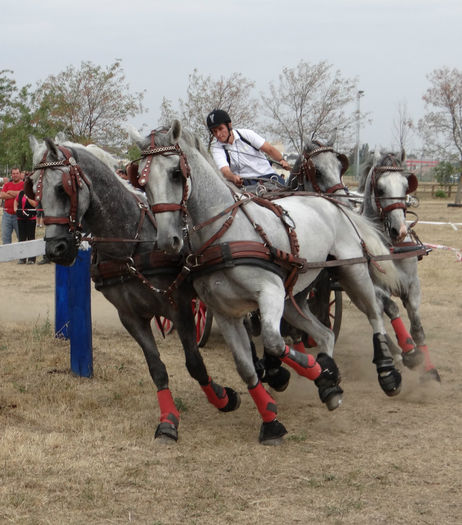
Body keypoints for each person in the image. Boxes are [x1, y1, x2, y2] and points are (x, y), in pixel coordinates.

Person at [206, 109, 291, 187]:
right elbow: (225, 171)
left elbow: (269, 150)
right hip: (246, 185)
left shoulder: (247, 134)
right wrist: (233, 177)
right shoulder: (217, 149)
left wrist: (281, 160)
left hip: (269, 177)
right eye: (214, 131)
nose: (218, 134)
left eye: (220, 129)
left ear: (229, 125)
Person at [0, 167, 24, 245]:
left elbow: (23, 195)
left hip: (19, 215)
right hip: (6, 215)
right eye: (13, 173)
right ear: (11, 175)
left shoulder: (24, 184)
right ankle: (7, 257)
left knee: (21, 239)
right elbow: (2, 195)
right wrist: (17, 194)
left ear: (20, 174)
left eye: (17, 173)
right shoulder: (7, 184)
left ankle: (22, 257)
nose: (15, 175)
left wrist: (10, 192)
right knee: (5, 239)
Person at [14, 189, 37, 264]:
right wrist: (15, 209)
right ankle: (22, 258)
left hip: (31, 219)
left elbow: (35, 204)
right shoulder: (21, 192)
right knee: (22, 238)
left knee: (31, 238)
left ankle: (31, 259)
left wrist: (27, 197)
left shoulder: (34, 193)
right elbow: (16, 200)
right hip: (20, 218)